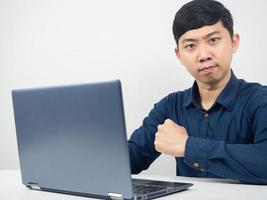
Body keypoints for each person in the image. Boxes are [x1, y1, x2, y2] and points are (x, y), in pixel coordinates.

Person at [128, 0, 267, 184]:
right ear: (179, 55)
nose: (203, 55)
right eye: (191, 46)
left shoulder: (259, 100)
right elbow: (129, 160)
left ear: (234, 43)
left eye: (213, 40)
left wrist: (188, 146)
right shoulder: (170, 106)